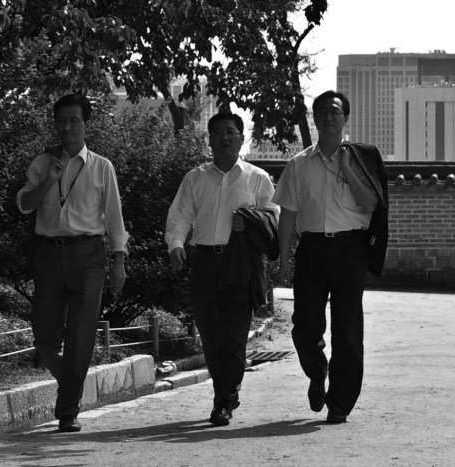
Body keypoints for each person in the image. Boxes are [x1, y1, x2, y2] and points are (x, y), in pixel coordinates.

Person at [273, 90, 389, 424]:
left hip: (350, 248)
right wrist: (284, 260)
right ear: (314, 116)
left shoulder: (362, 159)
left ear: (345, 118)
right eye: (322, 110)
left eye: (335, 111)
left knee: (347, 326)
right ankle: (316, 370)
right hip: (311, 248)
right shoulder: (298, 164)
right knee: (304, 324)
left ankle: (340, 402)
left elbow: (369, 205)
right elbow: (289, 215)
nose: (328, 116)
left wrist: (347, 168)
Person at [16, 93, 128, 433]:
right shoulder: (41, 163)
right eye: (61, 120)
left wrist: (119, 261)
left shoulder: (101, 166)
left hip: (89, 255)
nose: (66, 127)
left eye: (73, 120)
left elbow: (114, 218)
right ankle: (72, 382)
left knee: (81, 335)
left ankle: (68, 410)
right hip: (50, 254)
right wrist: (49, 180)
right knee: (43, 336)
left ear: (85, 123)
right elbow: (24, 205)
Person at [166, 111, 279, 427]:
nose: (225, 137)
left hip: (241, 263)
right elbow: (180, 216)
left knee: (234, 336)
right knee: (211, 334)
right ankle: (226, 390)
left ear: (242, 138)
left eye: (231, 131)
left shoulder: (257, 178)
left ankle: (224, 401)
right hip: (204, 262)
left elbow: (274, 218)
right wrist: (176, 244)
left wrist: (251, 221)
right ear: (210, 139)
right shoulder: (195, 178)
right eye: (218, 132)